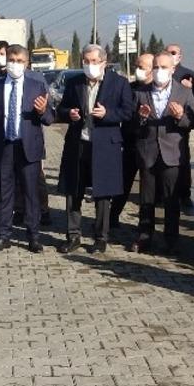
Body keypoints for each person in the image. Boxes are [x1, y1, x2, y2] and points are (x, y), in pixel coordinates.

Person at [55, 44, 134, 254]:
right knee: (73, 191)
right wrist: (68, 113)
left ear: (104, 63)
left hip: (105, 145)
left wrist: (108, 114)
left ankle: (100, 238)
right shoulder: (74, 83)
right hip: (78, 143)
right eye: (86, 61)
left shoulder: (119, 83)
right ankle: (73, 236)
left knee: (103, 194)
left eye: (94, 61)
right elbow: (61, 109)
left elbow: (128, 112)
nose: (90, 65)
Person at [0, 44, 53, 252]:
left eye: (19, 61)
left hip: (28, 147)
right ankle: (3, 235)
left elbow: (49, 118)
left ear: (27, 63)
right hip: (4, 146)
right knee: (4, 192)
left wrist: (42, 110)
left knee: (31, 193)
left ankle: (33, 236)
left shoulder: (36, 85)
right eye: (11, 60)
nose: (15, 64)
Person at [127, 51, 194, 254]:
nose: (159, 71)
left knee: (171, 198)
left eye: (164, 67)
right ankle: (145, 235)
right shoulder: (140, 93)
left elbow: (193, 122)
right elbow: (132, 125)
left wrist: (180, 116)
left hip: (172, 152)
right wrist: (140, 118)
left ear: (173, 69)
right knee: (146, 198)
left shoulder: (183, 93)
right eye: (156, 67)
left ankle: (171, 238)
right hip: (147, 152)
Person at [111, 52, 155, 227]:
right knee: (122, 184)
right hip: (129, 142)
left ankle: (146, 226)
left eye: (141, 67)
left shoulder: (157, 89)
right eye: (136, 66)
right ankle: (113, 217)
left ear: (152, 69)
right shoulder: (129, 87)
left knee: (148, 189)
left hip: (150, 144)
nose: (137, 70)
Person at [164, 43, 194, 210]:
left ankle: (185, 194)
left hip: (180, 124)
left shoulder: (187, 74)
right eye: (167, 52)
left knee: (182, 162)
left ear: (180, 56)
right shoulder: (159, 71)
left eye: (173, 53)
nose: (170, 55)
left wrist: (190, 89)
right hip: (163, 123)